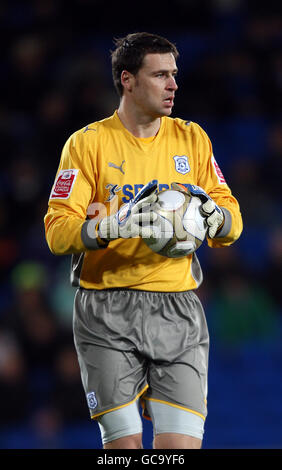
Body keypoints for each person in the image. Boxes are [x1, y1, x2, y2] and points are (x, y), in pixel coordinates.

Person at [44, 32, 243, 449]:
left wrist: (214, 216)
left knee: (179, 451)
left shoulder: (192, 138)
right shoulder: (86, 144)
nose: (173, 85)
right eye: (160, 75)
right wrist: (112, 227)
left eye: (174, 75)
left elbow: (232, 224)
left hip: (178, 309)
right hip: (106, 308)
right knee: (124, 449)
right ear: (128, 80)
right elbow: (57, 232)